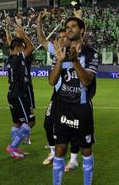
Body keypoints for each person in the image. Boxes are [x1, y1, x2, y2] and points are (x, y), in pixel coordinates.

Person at [49, 16, 98, 184]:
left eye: (73, 27)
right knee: (60, 148)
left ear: (81, 30)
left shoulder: (91, 54)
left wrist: (75, 60)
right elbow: (52, 81)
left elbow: (86, 81)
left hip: (82, 109)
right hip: (62, 108)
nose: (68, 30)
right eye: (66, 27)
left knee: (86, 149)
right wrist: (59, 61)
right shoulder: (60, 51)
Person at [37, 12, 80, 170]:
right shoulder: (56, 51)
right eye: (59, 37)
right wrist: (39, 23)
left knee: (74, 127)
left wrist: (78, 14)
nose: (61, 39)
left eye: (64, 37)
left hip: (74, 95)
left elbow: (80, 35)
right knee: (48, 124)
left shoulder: (75, 53)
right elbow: (41, 39)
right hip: (57, 95)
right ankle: (53, 152)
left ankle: (74, 159)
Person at [4, 21, 35, 159]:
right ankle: (13, 146)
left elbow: (12, 44)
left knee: (17, 122)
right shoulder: (17, 58)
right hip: (19, 94)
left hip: (12, 94)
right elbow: (31, 47)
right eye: (21, 48)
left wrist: (9, 34)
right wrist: (23, 35)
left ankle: (14, 150)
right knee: (31, 121)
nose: (24, 50)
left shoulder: (11, 59)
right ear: (17, 49)